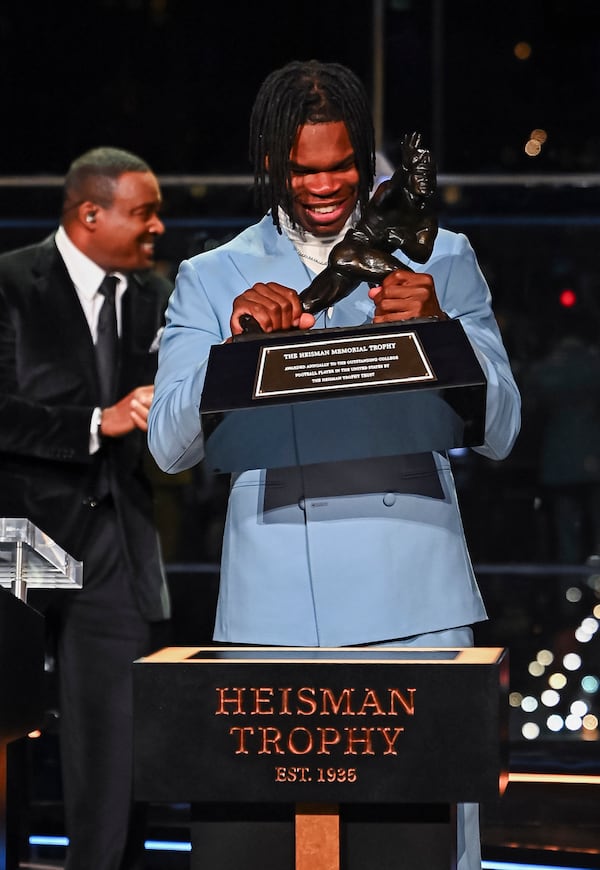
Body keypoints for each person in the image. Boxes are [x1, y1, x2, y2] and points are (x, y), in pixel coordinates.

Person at [148, 60, 521, 870]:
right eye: (303, 168)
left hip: (414, 604)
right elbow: (170, 448)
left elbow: (502, 431)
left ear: (365, 157)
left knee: (424, 852)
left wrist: (439, 333)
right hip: (272, 613)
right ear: (272, 163)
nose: (325, 184)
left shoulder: (441, 258)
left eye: (341, 164)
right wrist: (233, 351)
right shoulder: (215, 277)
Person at [0, 146, 172, 870]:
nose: (158, 227)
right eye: (144, 212)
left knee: (115, 735)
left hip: (113, 539)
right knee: (4, 719)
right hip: (18, 532)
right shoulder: (10, 282)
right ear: (89, 213)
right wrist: (98, 423)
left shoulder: (158, 294)